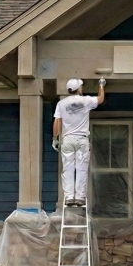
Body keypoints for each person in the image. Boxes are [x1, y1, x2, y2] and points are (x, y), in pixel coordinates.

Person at [52, 77, 106, 207]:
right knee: (81, 168)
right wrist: (101, 85)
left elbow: (57, 121)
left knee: (68, 169)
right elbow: (100, 99)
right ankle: (80, 197)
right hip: (82, 140)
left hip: (67, 139)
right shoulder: (86, 100)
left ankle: (69, 197)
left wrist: (55, 138)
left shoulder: (61, 103)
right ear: (79, 88)